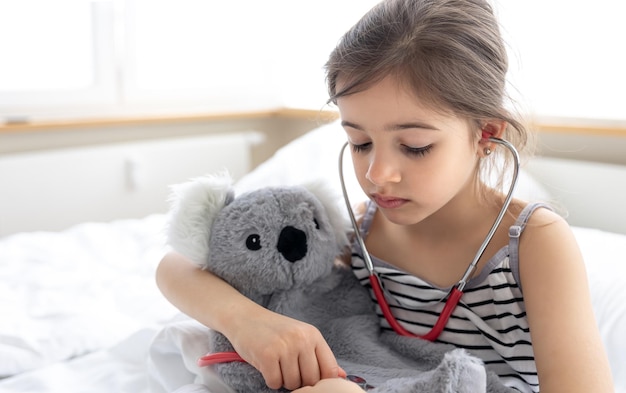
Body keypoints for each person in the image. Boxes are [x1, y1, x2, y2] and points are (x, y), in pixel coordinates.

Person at [156, 0, 614, 392]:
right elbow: (176, 268)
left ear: (485, 135)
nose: (378, 174)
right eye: (359, 142)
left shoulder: (533, 245)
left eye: (415, 147)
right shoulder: (363, 230)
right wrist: (249, 322)